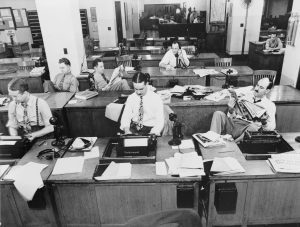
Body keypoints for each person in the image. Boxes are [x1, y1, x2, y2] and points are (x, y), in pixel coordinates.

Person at [210, 78, 276, 141]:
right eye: (257, 85)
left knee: (254, 127)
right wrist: (230, 110)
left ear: (267, 91)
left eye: (261, 87)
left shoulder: (270, 105)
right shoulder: (246, 96)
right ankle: (212, 140)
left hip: (246, 130)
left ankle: (235, 146)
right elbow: (232, 116)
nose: (256, 89)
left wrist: (264, 122)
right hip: (233, 124)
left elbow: (271, 128)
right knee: (218, 113)